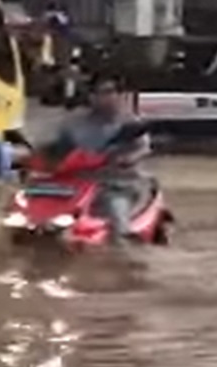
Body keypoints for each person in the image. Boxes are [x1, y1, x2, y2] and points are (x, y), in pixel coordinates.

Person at [38, 73, 152, 246]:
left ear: (119, 95)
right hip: (76, 182)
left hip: (116, 184)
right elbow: (56, 147)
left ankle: (123, 247)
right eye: (98, 93)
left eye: (108, 92)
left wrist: (127, 158)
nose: (103, 98)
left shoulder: (130, 125)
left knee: (116, 212)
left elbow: (143, 148)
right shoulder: (74, 123)